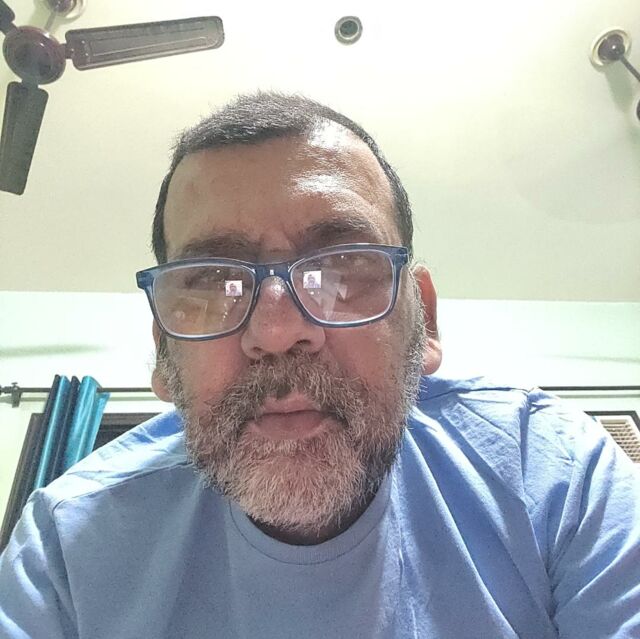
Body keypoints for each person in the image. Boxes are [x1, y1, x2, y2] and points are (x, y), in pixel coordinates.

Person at [1, 92, 639, 639]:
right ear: (165, 354)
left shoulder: (552, 475)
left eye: (341, 270)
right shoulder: (65, 550)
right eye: (213, 281)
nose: (277, 333)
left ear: (423, 320)